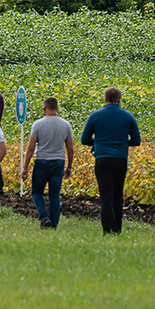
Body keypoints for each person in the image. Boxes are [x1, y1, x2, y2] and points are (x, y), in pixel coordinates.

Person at [81, 87, 141, 235]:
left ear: (104, 99)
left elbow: (84, 139)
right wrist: (122, 141)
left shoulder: (95, 116)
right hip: (120, 158)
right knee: (118, 194)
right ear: (119, 100)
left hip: (102, 158)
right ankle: (117, 228)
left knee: (106, 196)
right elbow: (136, 141)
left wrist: (99, 141)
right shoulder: (128, 117)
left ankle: (107, 229)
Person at [22, 97, 74, 229]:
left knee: (37, 192)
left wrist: (25, 167)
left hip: (42, 161)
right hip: (58, 162)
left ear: (44, 109)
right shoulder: (66, 125)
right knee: (54, 195)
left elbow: (30, 148)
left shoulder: (37, 124)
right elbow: (70, 148)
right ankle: (54, 225)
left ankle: (44, 217)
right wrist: (69, 166)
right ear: (57, 108)